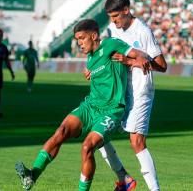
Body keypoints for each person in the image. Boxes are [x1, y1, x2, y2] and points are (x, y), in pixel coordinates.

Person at [15, 19, 152, 191]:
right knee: (61, 131)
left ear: (94, 35)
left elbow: (143, 55)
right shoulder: (90, 57)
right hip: (90, 106)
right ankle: (32, 176)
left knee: (87, 147)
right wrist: (90, 72)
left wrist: (133, 61)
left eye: (82, 38)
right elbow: (100, 71)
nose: (79, 43)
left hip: (111, 110)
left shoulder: (110, 44)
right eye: (77, 40)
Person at [93, 0, 167, 191]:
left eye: (116, 16)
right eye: (110, 17)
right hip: (120, 91)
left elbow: (162, 65)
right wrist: (92, 67)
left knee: (137, 141)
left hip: (141, 90)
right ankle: (125, 180)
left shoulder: (142, 31)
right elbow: (104, 53)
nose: (113, 21)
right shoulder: (112, 29)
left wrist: (130, 61)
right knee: (98, 134)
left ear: (126, 10)